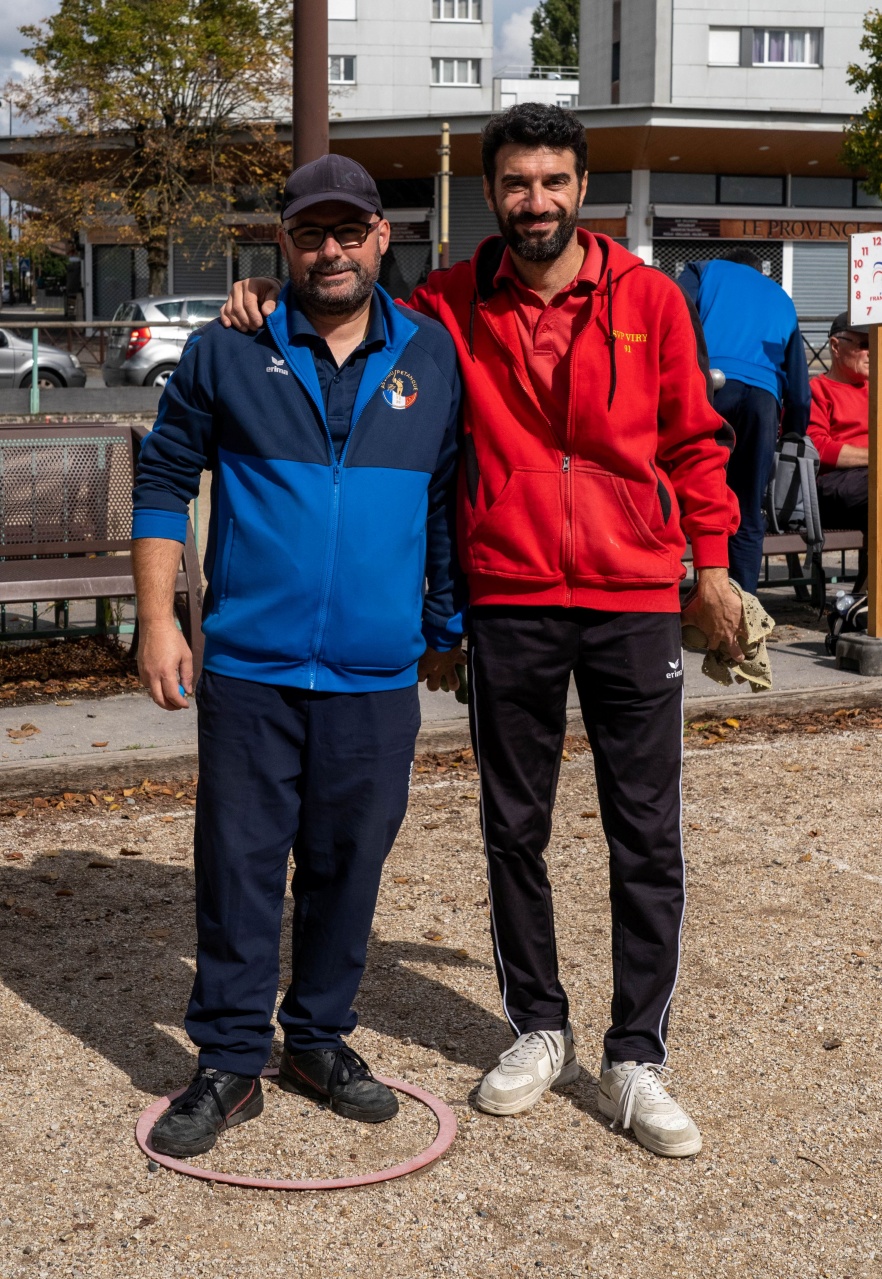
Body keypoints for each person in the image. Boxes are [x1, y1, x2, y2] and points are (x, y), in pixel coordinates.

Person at [221, 104, 742, 1159]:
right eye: (517, 183)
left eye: (553, 181)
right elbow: (348, 307)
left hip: (635, 590)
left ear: (581, 188)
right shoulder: (452, 301)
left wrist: (716, 569)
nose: (535, 201)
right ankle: (538, 1025)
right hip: (509, 594)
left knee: (646, 832)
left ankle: (636, 1052)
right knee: (517, 825)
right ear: (494, 193)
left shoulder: (649, 299)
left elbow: (694, 439)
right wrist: (273, 299)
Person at [132, 153, 464, 1157]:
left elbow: (445, 500)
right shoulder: (228, 348)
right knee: (236, 863)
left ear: (379, 238)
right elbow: (161, 478)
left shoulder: (432, 355)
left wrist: (444, 626)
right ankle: (230, 1062)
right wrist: (158, 619)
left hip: (373, 673)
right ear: (283, 243)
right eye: (310, 233)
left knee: (347, 863)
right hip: (251, 666)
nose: (331, 249)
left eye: (348, 231)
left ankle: (317, 1040)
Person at [678, 248, 811, 595]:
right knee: (749, 506)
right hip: (764, 399)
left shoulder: (703, 269)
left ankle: (673, 599)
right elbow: (799, 390)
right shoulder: (781, 297)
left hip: (711, 385)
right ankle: (744, 612)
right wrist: (794, 431)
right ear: (759, 271)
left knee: (687, 488)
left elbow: (675, 314)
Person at [807, 312, 870, 580]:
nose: (871, 352)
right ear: (835, 345)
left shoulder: (876, 389)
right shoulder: (816, 389)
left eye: (876, 343)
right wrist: (875, 457)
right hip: (834, 484)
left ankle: (867, 591)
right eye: (863, 344)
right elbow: (818, 448)